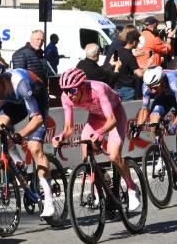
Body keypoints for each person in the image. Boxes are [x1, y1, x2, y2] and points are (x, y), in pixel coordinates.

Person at [0, 62, 56, 218]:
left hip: (37, 98)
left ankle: (49, 201)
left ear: (3, 80)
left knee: (34, 147)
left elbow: (37, 119)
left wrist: (20, 135)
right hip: (16, 104)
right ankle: (19, 162)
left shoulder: (20, 83)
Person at [52, 68, 141, 210]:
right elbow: (69, 128)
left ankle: (132, 187)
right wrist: (60, 136)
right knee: (86, 154)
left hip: (115, 115)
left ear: (82, 86)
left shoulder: (98, 89)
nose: (69, 94)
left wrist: (100, 133)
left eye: (72, 90)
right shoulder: (66, 97)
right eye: (65, 90)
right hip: (96, 117)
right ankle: (100, 184)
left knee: (113, 155)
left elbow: (111, 120)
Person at [131, 66, 177, 192]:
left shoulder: (174, 82)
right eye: (150, 87)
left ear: (162, 81)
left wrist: (173, 126)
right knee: (153, 123)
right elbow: (145, 109)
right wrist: (138, 127)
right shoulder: (148, 86)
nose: (152, 91)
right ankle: (161, 154)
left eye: (154, 87)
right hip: (164, 98)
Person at [114, 30, 141, 101]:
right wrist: (149, 64)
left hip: (116, 87)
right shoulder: (130, 56)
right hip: (128, 90)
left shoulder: (117, 51)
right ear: (135, 42)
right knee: (128, 111)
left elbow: (114, 64)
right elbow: (139, 74)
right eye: (138, 42)